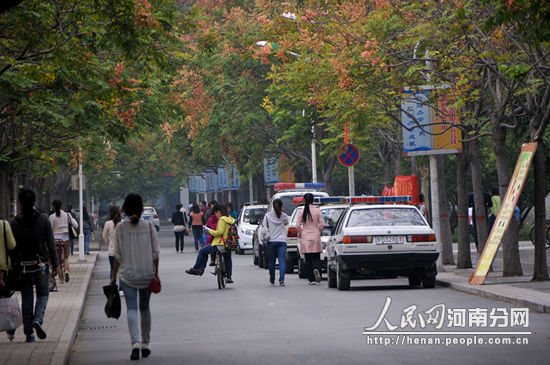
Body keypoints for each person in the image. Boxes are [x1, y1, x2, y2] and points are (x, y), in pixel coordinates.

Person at [110, 193, 160, 361]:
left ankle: (135, 343)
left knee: (131, 309)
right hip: (146, 274)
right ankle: (146, 343)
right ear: (140, 208)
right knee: (144, 308)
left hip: (127, 276)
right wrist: (156, 273)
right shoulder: (148, 227)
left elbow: (117, 256)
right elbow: (155, 254)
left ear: (124, 209)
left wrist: (113, 277)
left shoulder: (120, 228)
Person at [8, 189, 59, 342]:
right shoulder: (43, 219)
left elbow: (12, 248)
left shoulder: (14, 222)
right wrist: (56, 264)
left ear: (20, 202)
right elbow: (51, 243)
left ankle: (29, 333)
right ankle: (38, 319)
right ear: (34, 200)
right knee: (43, 295)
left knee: (27, 298)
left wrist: (14, 265)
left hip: (23, 267)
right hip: (41, 265)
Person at [186, 204, 235, 283]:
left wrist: (208, 230)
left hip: (220, 243)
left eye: (216, 213)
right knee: (228, 259)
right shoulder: (230, 219)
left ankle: (196, 268)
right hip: (228, 243)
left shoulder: (222, 220)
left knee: (202, 251)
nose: (216, 215)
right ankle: (229, 277)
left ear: (219, 212)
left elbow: (219, 232)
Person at [296, 193, 325, 285]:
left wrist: (300, 233)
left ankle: (311, 279)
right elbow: (322, 224)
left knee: (308, 258)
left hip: (305, 236)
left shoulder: (301, 211)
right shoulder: (317, 210)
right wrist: (319, 231)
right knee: (316, 256)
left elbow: (297, 225)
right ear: (313, 200)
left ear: (304, 200)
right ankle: (317, 270)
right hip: (315, 234)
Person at [49, 199, 78, 283]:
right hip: (66, 239)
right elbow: (76, 225)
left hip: (55, 240)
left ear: (53, 207)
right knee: (66, 257)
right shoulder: (67, 215)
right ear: (62, 206)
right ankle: (66, 271)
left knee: (57, 259)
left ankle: (61, 279)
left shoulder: (52, 217)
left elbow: (49, 229)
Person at [263, 198, 289, 286]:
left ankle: (272, 278)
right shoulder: (284, 216)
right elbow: (286, 223)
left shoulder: (267, 215)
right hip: (282, 241)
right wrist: (282, 212)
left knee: (272, 261)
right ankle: (281, 280)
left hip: (271, 241)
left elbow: (264, 226)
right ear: (281, 206)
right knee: (282, 260)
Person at [0, 218, 17, 340]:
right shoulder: (4, 225)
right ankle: (10, 330)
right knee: (6, 298)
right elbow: (12, 245)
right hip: (3, 269)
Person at [102, 205, 122, 281]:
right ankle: (121, 290)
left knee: (112, 270)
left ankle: (112, 288)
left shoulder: (108, 224)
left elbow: (104, 236)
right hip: (122, 252)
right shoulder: (123, 223)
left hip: (112, 251)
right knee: (121, 271)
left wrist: (109, 243)